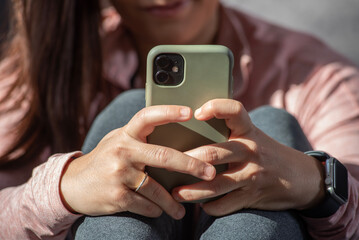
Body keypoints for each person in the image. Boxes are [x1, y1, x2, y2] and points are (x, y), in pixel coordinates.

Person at [0, 0, 358, 239]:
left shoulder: (319, 75)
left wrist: (313, 181)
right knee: (132, 110)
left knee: (272, 124)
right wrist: (65, 189)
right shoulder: (38, 69)